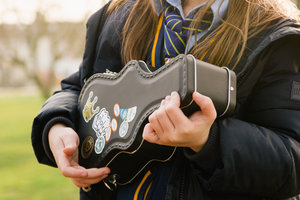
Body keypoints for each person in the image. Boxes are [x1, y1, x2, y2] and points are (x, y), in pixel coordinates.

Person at [31, 0, 300, 199]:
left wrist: (208, 141)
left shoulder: (277, 35)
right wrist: (57, 127)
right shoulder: (115, 16)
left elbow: (292, 159)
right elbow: (78, 87)